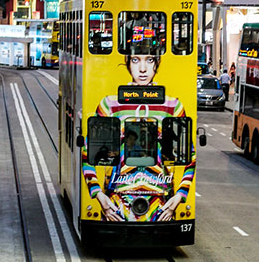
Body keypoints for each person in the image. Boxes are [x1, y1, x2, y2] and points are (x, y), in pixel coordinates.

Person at [82, 53, 194, 223]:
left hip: (160, 210)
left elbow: (189, 158)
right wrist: (99, 195)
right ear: (128, 63)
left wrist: (177, 198)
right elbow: (88, 153)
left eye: (149, 60)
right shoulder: (110, 106)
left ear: (157, 63)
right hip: (116, 208)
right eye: (135, 60)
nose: (143, 69)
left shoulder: (173, 107)